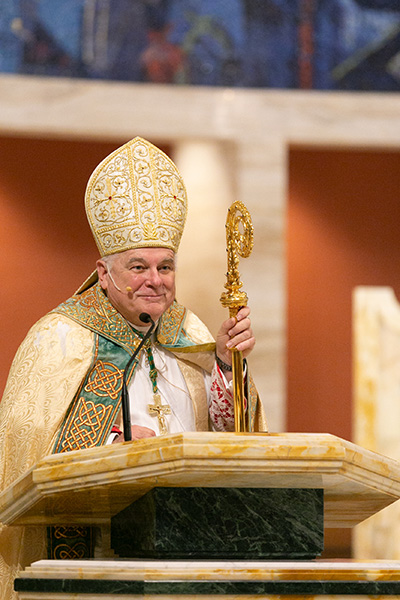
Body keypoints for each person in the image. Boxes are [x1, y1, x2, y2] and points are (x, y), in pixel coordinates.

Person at [0, 136, 266, 599]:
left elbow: (233, 443)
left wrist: (224, 365)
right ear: (103, 274)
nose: (155, 281)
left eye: (166, 267)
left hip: (186, 551)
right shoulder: (59, 337)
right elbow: (29, 450)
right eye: (138, 266)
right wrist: (117, 446)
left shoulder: (190, 330)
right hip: (98, 557)